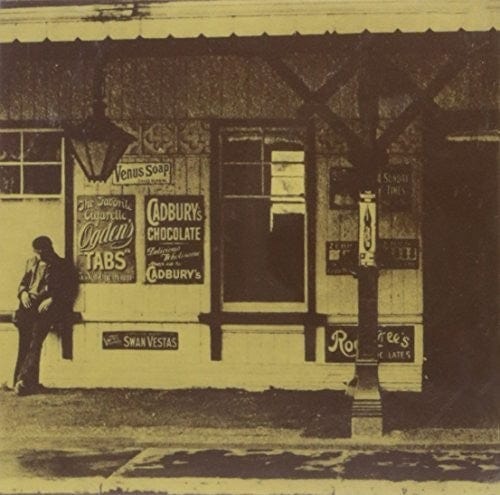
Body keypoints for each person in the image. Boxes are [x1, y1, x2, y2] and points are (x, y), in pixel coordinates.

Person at [13, 236, 78, 396]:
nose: (38, 256)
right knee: (25, 342)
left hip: (48, 309)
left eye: (40, 252)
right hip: (28, 307)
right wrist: (23, 294)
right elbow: (23, 283)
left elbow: (70, 289)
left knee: (35, 341)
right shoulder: (32, 262)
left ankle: (23, 381)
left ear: (48, 249)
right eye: (36, 252)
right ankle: (25, 382)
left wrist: (52, 299)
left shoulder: (62, 265)